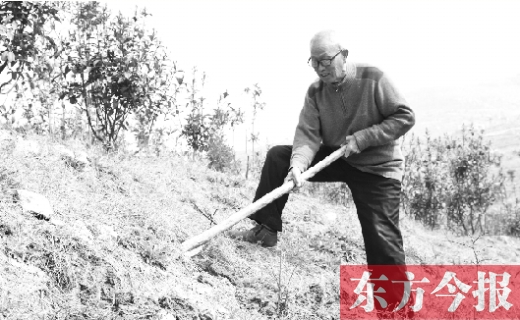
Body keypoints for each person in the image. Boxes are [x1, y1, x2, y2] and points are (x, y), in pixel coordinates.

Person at [231, 29, 415, 315]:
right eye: (314, 61)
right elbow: (306, 135)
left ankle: (397, 312)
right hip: (339, 155)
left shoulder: (374, 78)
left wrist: (364, 138)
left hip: (378, 167)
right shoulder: (316, 92)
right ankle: (265, 229)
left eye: (325, 60)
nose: (320, 68)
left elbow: (405, 116)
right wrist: (298, 166)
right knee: (279, 157)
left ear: (344, 55)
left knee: (381, 237)